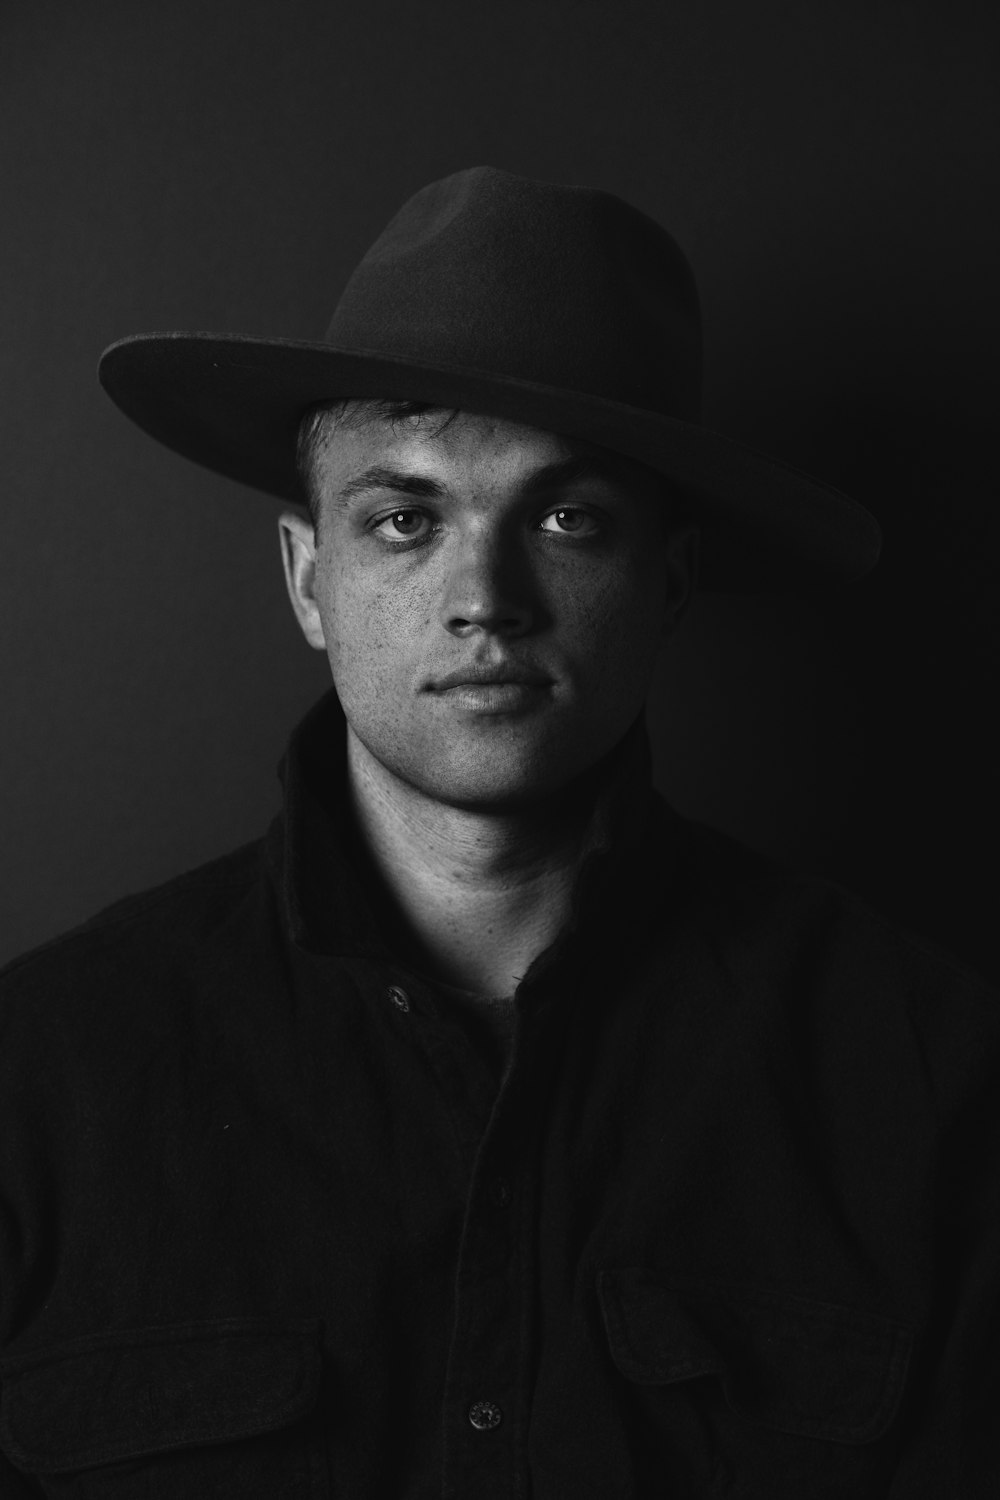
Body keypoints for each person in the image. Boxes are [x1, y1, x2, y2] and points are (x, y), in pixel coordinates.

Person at [0, 166, 995, 1499]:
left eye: (569, 516)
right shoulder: (39, 1083)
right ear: (312, 579)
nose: (486, 597)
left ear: (671, 579)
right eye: (406, 520)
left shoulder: (935, 1087)